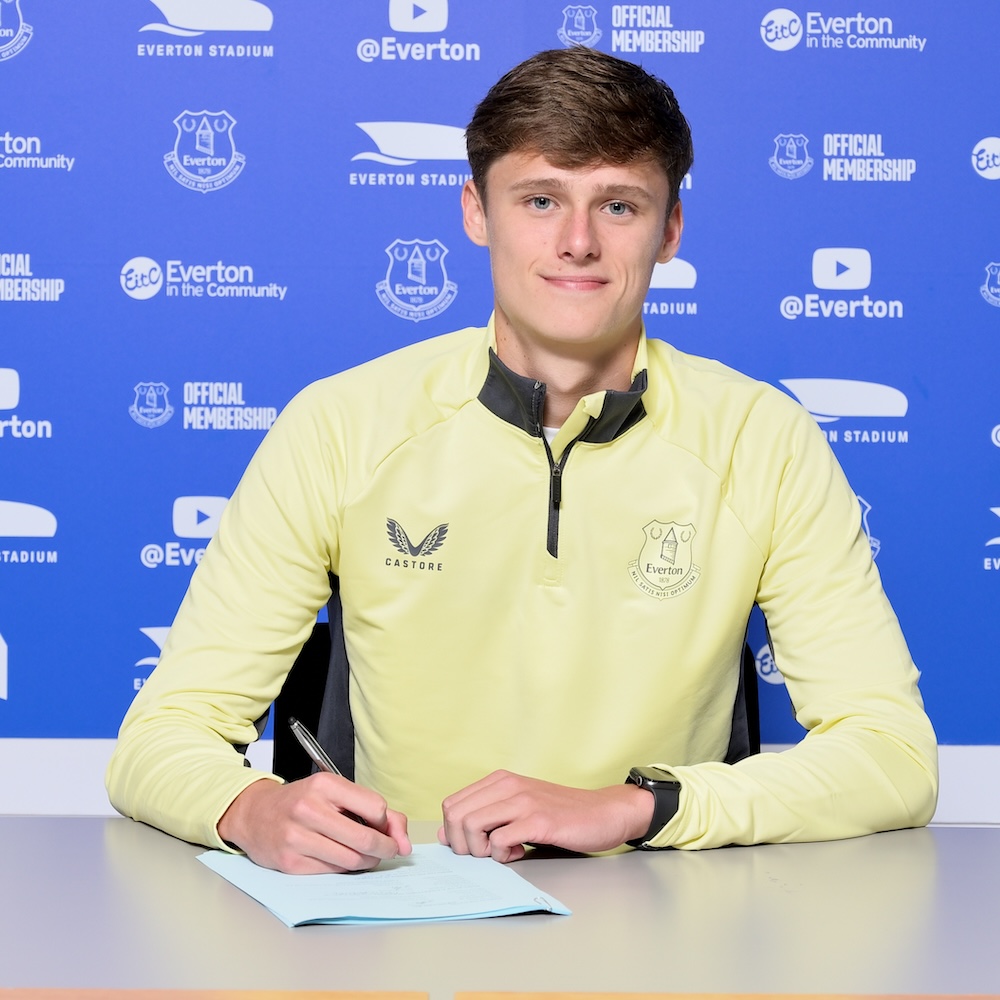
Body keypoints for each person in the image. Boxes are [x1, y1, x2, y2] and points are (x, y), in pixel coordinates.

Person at [106, 46, 937, 874]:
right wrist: (252, 808)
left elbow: (893, 756)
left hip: (661, 908)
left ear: (670, 230)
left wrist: (640, 806)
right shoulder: (340, 426)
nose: (577, 242)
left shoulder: (763, 437)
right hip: (400, 914)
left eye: (618, 205)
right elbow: (161, 735)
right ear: (477, 211)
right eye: (541, 200)